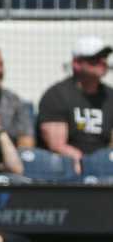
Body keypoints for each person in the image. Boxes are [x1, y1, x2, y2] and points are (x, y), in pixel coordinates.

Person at [37, 37, 113, 168]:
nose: (102, 62)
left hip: (104, 164)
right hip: (67, 165)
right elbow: (57, 145)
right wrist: (88, 164)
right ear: (77, 63)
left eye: (104, 57)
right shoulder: (57, 95)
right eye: (95, 59)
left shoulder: (110, 95)